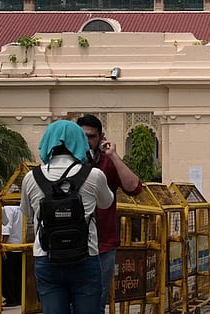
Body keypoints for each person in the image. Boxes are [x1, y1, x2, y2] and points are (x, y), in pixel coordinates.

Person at [20, 119, 114, 313]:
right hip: (85, 256)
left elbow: (28, 212)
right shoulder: (94, 175)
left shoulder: (31, 177)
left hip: (46, 257)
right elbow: (106, 203)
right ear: (80, 142)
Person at [77, 114, 142, 313]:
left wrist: (113, 156)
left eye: (91, 136)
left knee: (97, 301)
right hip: (70, 245)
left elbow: (134, 187)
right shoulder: (65, 163)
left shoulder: (106, 163)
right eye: (82, 136)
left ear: (101, 138)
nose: (87, 141)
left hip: (102, 245)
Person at [1, 202, 23, 307]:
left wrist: (3, 247)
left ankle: (10, 299)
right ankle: (19, 298)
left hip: (10, 246)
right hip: (21, 245)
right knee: (18, 275)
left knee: (8, 275)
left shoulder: (8, 208)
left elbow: (6, 229)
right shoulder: (21, 209)